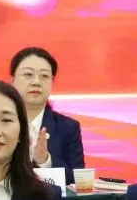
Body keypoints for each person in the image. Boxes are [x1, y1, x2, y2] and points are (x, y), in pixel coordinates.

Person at [9, 47, 85, 184]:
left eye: (44, 76)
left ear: (52, 81)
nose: (36, 82)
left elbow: (78, 180)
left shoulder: (68, 127)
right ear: (12, 79)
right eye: (28, 74)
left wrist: (45, 160)